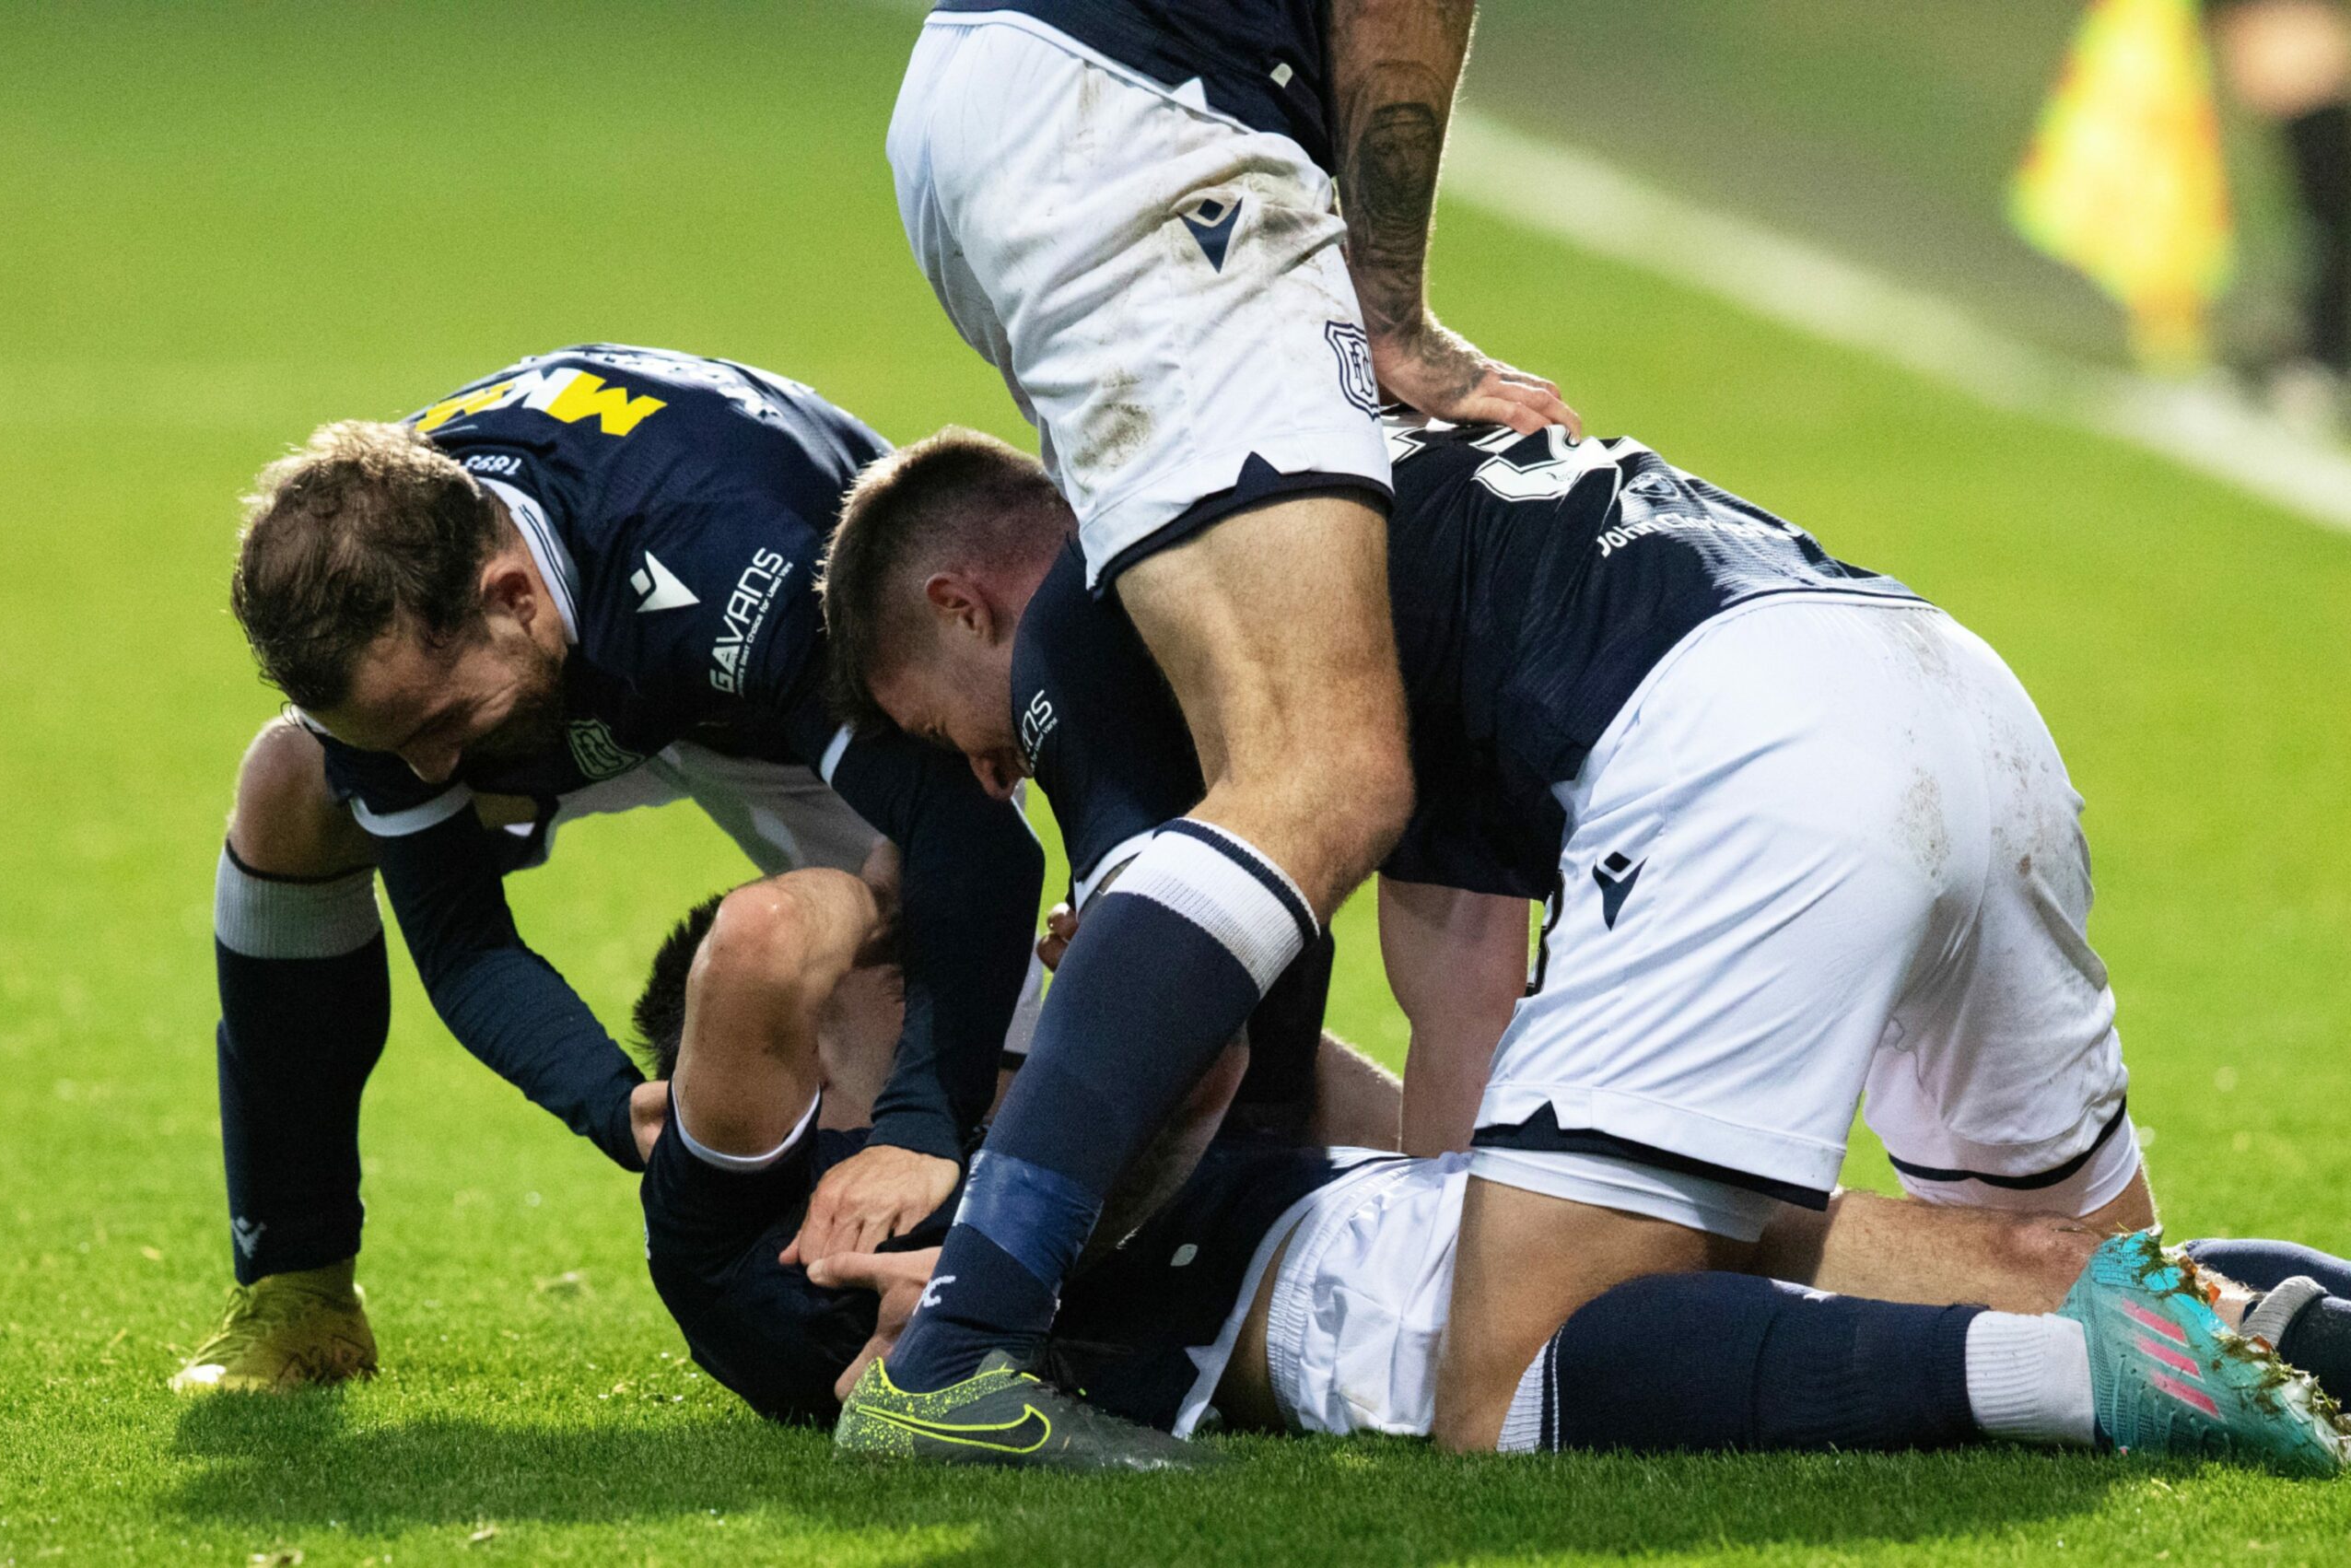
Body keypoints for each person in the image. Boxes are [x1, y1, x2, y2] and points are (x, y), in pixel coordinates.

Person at [822, 411, 2173, 1458]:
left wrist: (1003, 1275)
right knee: (2105, 1277)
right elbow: (1467, 955)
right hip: (1952, 690)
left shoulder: (1106, 589)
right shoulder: (1350, 476)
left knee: (1510, 1365)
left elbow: (1186, 1045)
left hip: (1744, 754)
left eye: (959, 735)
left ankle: (2069, 1378)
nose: (995, 775)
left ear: (964, 606)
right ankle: (2284, 1332)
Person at [638, 865, 2349, 1473]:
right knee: (1513, 1341)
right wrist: (912, 869)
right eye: (909, 1015)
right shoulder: (760, 1242)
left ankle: (2223, 1334)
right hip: (1332, 1288)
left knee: (2006, 1252)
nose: (968, 1026)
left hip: (1395, 1210)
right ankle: (2112, 1379)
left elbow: (1350, 1108)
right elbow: (767, 944)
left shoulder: (1009, 1120)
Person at [862, 0, 1575, 1450]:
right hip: (1144, 122)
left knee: (1257, 761)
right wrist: (1389, 312)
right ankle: (963, 1346)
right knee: (1323, 766)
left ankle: (1162, 1252)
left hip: (1011, 99)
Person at [177, 345, 1043, 1393]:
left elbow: (973, 835)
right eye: (395, 739)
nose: (429, 769)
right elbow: (460, 937)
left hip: (798, 702)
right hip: (586, 696)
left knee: (1007, 1070)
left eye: (440, 723)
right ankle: (299, 1285)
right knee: (290, 782)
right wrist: (606, 1097)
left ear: (511, 594)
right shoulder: (389, 621)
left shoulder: (735, 553)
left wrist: (917, 1126)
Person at [2208, 0, 2351, 431]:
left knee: (2330, 216)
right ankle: (2316, 357)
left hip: (2301, 46)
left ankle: (2314, 352)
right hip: (2290, 49)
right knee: (2333, 215)